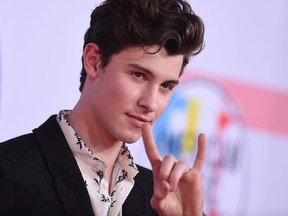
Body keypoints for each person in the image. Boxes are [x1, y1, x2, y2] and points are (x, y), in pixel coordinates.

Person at [0, 0, 206, 215]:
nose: (151, 103)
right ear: (94, 61)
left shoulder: (164, 199)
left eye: (165, 86)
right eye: (139, 75)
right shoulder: (8, 173)